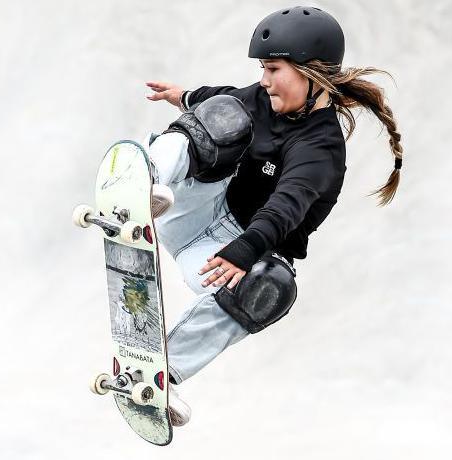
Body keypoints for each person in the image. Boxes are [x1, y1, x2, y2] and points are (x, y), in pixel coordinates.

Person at [142, 6, 404, 427]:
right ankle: (143, 183)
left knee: (271, 286)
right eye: (263, 69)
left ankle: (158, 375)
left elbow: (287, 205)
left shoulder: (321, 149)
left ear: (311, 73)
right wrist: (184, 97)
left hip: (222, 259)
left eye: (273, 69)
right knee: (224, 115)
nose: (264, 80)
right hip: (196, 208)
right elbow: (221, 99)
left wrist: (245, 250)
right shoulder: (263, 98)